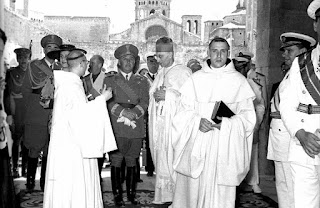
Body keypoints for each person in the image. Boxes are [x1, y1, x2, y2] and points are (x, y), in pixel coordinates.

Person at [170, 37, 256, 208]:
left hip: (225, 146)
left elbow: (248, 118)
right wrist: (196, 122)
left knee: (220, 197)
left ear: (228, 53)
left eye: (223, 51)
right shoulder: (195, 79)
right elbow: (181, 113)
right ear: (208, 52)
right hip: (197, 142)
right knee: (194, 192)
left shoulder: (239, 81)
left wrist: (227, 125)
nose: (218, 55)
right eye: (215, 51)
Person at [43, 49, 117, 208]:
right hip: (73, 148)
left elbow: (77, 114)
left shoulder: (70, 83)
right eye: (86, 63)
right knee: (75, 184)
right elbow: (81, 118)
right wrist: (102, 99)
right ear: (82, 64)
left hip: (69, 144)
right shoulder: (71, 86)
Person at [267, 32, 316, 208]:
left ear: (304, 52)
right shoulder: (290, 74)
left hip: (290, 139)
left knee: (293, 191)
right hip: (280, 139)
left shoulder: (304, 77)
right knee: (284, 188)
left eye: (290, 50)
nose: (284, 55)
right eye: (284, 51)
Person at [279, 1, 320, 206]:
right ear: (315, 25)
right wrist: (300, 134)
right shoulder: (301, 62)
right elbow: (286, 104)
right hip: (304, 142)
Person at [103, 44, 149, 206]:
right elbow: (107, 102)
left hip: (136, 127)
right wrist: (122, 112)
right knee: (116, 161)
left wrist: (134, 113)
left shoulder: (142, 81)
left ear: (135, 62)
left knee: (132, 160)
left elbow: (145, 102)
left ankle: (131, 195)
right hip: (117, 127)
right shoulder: (110, 79)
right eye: (125, 59)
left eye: (131, 59)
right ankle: (117, 196)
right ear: (119, 62)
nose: (128, 62)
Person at [148, 36, 192, 204]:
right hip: (160, 126)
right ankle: (164, 198)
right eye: (157, 56)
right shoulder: (161, 72)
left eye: (161, 56)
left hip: (174, 128)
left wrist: (168, 95)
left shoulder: (183, 72)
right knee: (161, 160)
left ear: (172, 53)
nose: (158, 60)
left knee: (173, 162)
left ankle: (178, 200)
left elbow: (189, 101)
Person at [21, 34, 62, 191]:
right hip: (36, 110)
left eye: (55, 48)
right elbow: (26, 90)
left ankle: (45, 182)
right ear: (44, 49)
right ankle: (30, 181)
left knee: (49, 148)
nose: (52, 50)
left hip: (55, 111)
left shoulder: (61, 68)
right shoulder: (34, 66)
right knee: (34, 147)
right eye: (49, 47)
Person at [3, 47, 31, 178]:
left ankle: (25, 169)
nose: (23, 60)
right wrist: (9, 113)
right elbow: (7, 94)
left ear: (28, 58)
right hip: (16, 111)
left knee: (27, 142)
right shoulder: (12, 73)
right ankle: (15, 168)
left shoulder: (33, 73)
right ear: (18, 59)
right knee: (16, 141)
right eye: (21, 58)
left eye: (25, 58)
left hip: (29, 111)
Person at [82, 54, 107, 181]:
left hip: (102, 114)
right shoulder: (85, 79)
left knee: (100, 144)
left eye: (92, 62)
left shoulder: (108, 78)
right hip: (88, 114)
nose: (89, 65)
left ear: (100, 65)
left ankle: (98, 171)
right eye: (90, 62)